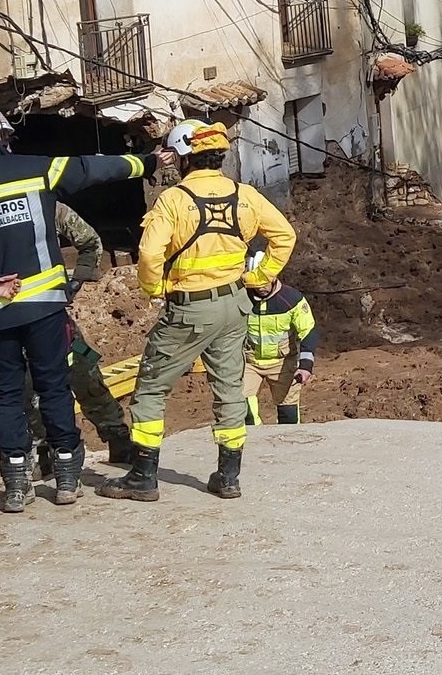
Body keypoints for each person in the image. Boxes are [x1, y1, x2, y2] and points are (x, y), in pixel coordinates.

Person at [0, 100, 163, 513]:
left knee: (6, 395)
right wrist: (147, 162)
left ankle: (16, 484)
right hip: (46, 309)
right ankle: (66, 477)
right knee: (54, 387)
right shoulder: (33, 169)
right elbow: (92, 169)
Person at [99, 120, 295, 503]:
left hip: (189, 309)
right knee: (228, 390)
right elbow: (285, 236)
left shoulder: (173, 200)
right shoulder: (245, 195)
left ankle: (143, 476)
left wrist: (154, 288)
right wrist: (260, 276)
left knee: (152, 388)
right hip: (234, 305)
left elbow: (151, 253)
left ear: (185, 158)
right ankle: (228, 477)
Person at [24, 203, 134, 475]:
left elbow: (90, 241)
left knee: (84, 372)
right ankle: (42, 451)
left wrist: (77, 282)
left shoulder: (45, 204)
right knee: (26, 387)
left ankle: (117, 436)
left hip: (53, 316)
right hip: (8, 321)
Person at [243, 267, 318, 427]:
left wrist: (305, 366)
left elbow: (308, 331)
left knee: (288, 414)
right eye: (257, 282)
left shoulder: (292, 299)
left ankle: (289, 448)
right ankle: (255, 442)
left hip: (282, 363)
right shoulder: (240, 298)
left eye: (265, 281)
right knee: (242, 407)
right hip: (249, 362)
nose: (261, 287)